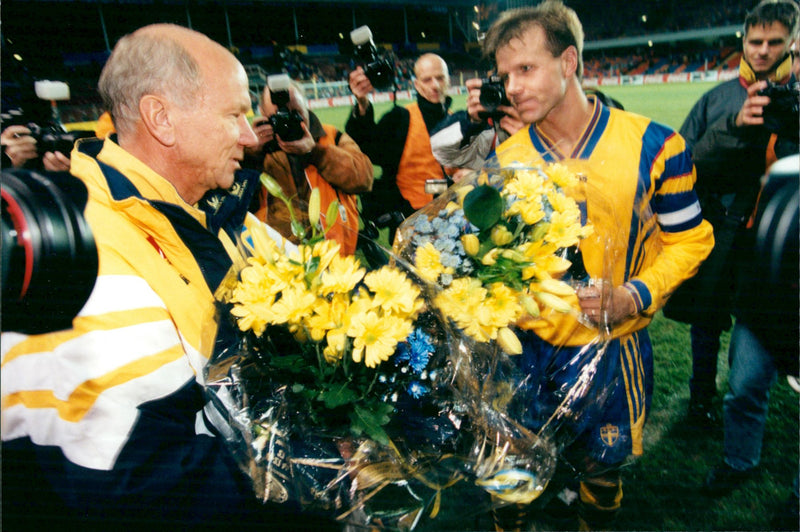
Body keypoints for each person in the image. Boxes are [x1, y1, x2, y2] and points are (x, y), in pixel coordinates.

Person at [0, 24, 337, 530]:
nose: (250, 136)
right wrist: (326, 464)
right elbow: (142, 484)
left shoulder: (210, 209)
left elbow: (331, 290)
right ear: (162, 119)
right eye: (235, 114)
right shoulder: (83, 258)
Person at [483, 2, 714, 529]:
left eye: (525, 68)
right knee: (510, 475)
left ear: (568, 62)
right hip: (525, 350)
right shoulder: (504, 160)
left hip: (611, 348)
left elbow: (693, 240)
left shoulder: (657, 145)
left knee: (601, 471)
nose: (512, 87)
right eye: (504, 76)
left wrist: (634, 294)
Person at [662, 0, 800, 426]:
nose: (762, 50)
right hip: (722, 229)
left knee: (766, 323)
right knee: (706, 318)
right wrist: (734, 127)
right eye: (754, 41)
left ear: (792, 43)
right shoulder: (717, 98)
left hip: (779, 239)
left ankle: (758, 390)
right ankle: (701, 399)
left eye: (774, 42)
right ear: (742, 40)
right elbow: (682, 164)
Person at [246, 79, 373, 256]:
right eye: (279, 116)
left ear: (306, 106)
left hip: (333, 254)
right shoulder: (255, 148)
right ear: (263, 114)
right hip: (280, 259)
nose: (289, 121)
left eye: (296, 113)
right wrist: (250, 156)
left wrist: (315, 152)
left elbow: (364, 179)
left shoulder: (331, 136)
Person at [345, 53, 452, 240]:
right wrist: (362, 104)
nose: (435, 85)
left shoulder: (458, 120)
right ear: (417, 85)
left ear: (448, 81)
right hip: (409, 219)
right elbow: (368, 147)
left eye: (440, 78)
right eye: (427, 80)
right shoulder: (400, 118)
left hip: (451, 217)